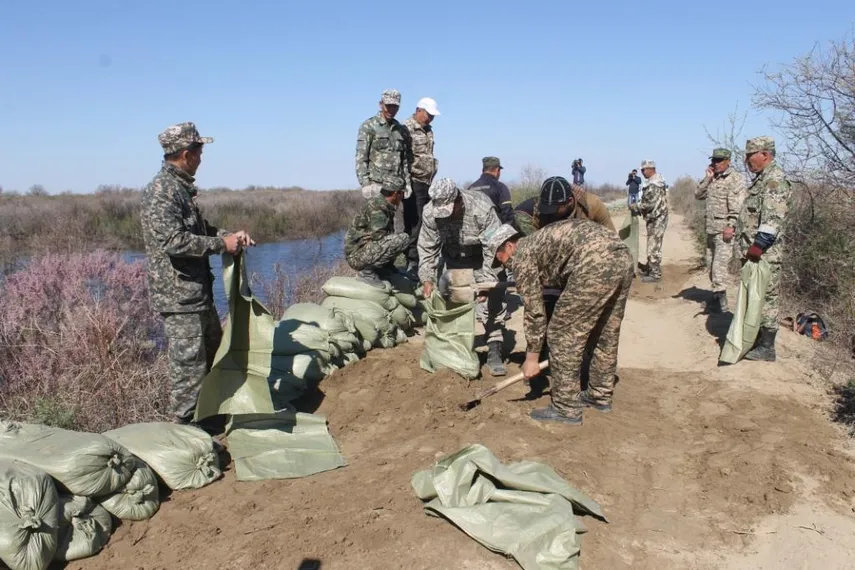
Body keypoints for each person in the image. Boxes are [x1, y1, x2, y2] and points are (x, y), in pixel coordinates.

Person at [140, 122, 254, 428]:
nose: (202, 159)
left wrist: (230, 236)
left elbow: (199, 230)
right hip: (179, 300)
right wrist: (221, 245)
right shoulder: (161, 191)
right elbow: (174, 241)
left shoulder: (180, 188)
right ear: (186, 154)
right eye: (200, 152)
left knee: (213, 359)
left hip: (196, 295)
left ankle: (212, 425)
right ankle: (188, 438)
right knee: (189, 375)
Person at [488, 219, 633, 425]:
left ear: (509, 246)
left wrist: (532, 358)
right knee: (605, 331)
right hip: (622, 257)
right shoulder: (537, 243)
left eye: (501, 259)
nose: (505, 265)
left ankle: (566, 407)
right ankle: (599, 394)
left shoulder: (521, 254)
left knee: (560, 333)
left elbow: (534, 311)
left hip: (593, 263)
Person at [418, 177, 508, 376]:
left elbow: (494, 249)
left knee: (491, 304)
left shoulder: (481, 207)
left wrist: (486, 282)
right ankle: (456, 350)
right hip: (454, 260)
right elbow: (427, 247)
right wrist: (427, 278)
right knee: (454, 306)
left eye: (450, 210)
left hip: (482, 259)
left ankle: (494, 348)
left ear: (458, 199)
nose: (446, 216)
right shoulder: (430, 213)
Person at [736, 136, 793, 362]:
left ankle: (767, 347)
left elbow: (773, 218)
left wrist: (758, 245)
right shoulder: (762, 179)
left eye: (750, 156)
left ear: (765, 155)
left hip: (765, 254)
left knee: (767, 297)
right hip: (755, 253)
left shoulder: (774, 180)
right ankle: (756, 338)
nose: (747, 160)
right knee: (756, 295)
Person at [694, 148, 747, 312]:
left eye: (719, 160)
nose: (715, 163)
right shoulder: (713, 178)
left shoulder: (735, 179)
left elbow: (737, 207)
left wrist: (730, 226)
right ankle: (716, 297)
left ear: (728, 161)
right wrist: (707, 178)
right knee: (711, 265)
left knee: (719, 267)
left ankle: (721, 305)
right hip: (711, 229)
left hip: (724, 231)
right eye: (714, 160)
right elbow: (698, 194)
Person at [401, 97, 440, 278]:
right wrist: (406, 182)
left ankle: (425, 260)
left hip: (427, 182)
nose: (431, 118)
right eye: (428, 114)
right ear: (418, 110)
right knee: (414, 223)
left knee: (427, 222)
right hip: (413, 181)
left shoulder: (429, 130)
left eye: (433, 115)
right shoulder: (406, 128)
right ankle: (412, 262)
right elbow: (402, 157)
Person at [344, 187, 412, 287]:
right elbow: (379, 237)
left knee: (392, 238)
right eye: (401, 193)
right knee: (403, 239)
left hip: (362, 252)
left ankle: (385, 269)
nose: (402, 197)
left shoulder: (382, 203)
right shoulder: (378, 207)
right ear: (395, 193)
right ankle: (367, 272)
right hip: (357, 257)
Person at [355, 89, 412, 199]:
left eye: (395, 107)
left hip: (396, 187)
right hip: (377, 187)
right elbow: (361, 158)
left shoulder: (400, 129)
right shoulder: (369, 126)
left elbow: (404, 159)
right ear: (381, 104)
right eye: (388, 106)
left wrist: (407, 182)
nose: (391, 110)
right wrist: (365, 184)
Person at [514, 175, 615, 237]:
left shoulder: (592, 205)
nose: (550, 213)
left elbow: (612, 237)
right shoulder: (540, 212)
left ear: (570, 201)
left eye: (554, 209)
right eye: (546, 208)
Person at [630, 160, 669, 283]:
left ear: (651, 169)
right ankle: (651, 268)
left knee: (653, 246)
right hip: (655, 217)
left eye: (644, 170)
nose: (642, 172)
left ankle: (655, 274)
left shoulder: (654, 184)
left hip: (657, 218)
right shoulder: (655, 181)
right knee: (653, 244)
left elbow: (649, 204)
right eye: (641, 170)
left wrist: (636, 206)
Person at [468, 156, 515, 225]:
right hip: (494, 229)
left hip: (473, 230)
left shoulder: (470, 189)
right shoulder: (500, 187)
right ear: (497, 170)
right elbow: (507, 214)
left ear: (483, 170)